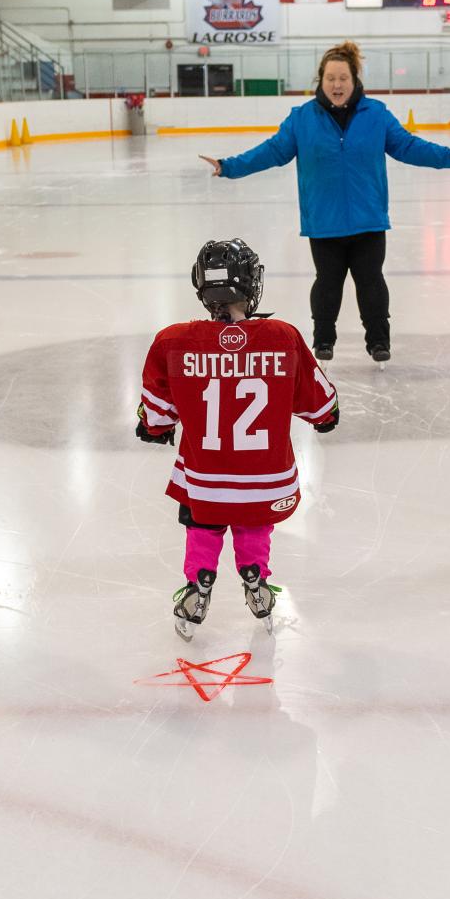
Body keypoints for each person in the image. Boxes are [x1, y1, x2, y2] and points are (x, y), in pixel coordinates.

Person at [200, 41, 450, 364]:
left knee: (371, 282)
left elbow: (408, 146)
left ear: (354, 79)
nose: (337, 84)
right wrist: (228, 166)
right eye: (330, 78)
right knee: (327, 284)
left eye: (343, 78)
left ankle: (378, 341)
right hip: (324, 221)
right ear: (321, 80)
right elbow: (271, 151)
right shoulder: (302, 118)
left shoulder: (376, 114)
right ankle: (323, 340)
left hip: (368, 219)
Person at [136, 238, 340, 640]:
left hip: (205, 474)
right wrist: (326, 417)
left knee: (202, 519)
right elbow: (320, 405)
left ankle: (198, 583)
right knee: (253, 519)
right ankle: (256, 579)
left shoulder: (174, 341)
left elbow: (156, 410)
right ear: (251, 285)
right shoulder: (283, 336)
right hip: (266, 476)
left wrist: (154, 428)